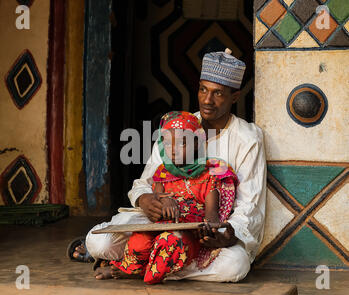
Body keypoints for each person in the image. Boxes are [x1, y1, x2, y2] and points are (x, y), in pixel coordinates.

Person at [70, 48, 267, 283]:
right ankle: (161, 263)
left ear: (235, 96)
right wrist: (146, 200)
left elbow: (249, 206)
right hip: (160, 224)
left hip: (206, 236)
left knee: (234, 266)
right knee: (97, 241)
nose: (207, 100)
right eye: (203, 89)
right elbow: (145, 182)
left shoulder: (247, 139)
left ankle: (134, 267)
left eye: (218, 93)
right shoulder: (177, 127)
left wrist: (226, 234)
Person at [97, 111, 239, 283]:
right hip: (157, 230)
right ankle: (142, 268)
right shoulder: (162, 173)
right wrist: (164, 200)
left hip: (187, 236)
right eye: (168, 144)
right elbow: (158, 198)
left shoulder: (210, 175)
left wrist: (212, 229)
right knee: (138, 241)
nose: (173, 151)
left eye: (181, 143)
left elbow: (212, 215)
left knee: (171, 241)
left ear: (197, 143)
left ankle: (141, 273)